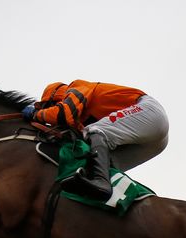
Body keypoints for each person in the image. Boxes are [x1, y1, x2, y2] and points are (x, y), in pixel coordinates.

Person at [22, 80, 169, 200]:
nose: (49, 110)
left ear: (56, 96)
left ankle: (101, 183)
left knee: (93, 131)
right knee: (103, 164)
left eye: (50, 106)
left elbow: (62, 114)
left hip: (148, 111)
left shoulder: (76, 87)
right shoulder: (81, 118)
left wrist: (36, 113)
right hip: (154, 143)